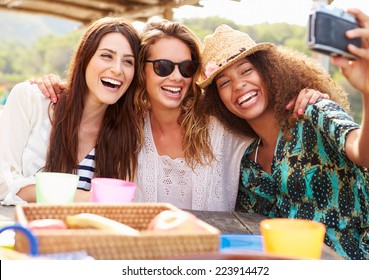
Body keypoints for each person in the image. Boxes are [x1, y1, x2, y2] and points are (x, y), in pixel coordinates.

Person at [31, 20, 327, 211]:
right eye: (162, 67)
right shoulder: (125, 126)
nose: (176, 77)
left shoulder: (220, 125)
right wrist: (58, 87)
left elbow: (261, 108)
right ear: (140, 70)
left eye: (186, 68)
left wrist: (307, 93)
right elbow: (92, 95)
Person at [199, 9, 369, 259]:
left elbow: (368, 155)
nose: (238, 85)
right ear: (218, 100)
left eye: (246, 71)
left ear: (269, 71)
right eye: (224, 82)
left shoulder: (314, 111)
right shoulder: (246, 159)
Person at [0, 17, 141, 205]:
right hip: (22, 232)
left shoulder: (127, 133)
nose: (117, 69)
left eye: (128, 62)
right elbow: (3, 183)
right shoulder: (31, 100)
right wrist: (82, 197)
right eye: (107, 56)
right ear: (85, 58)